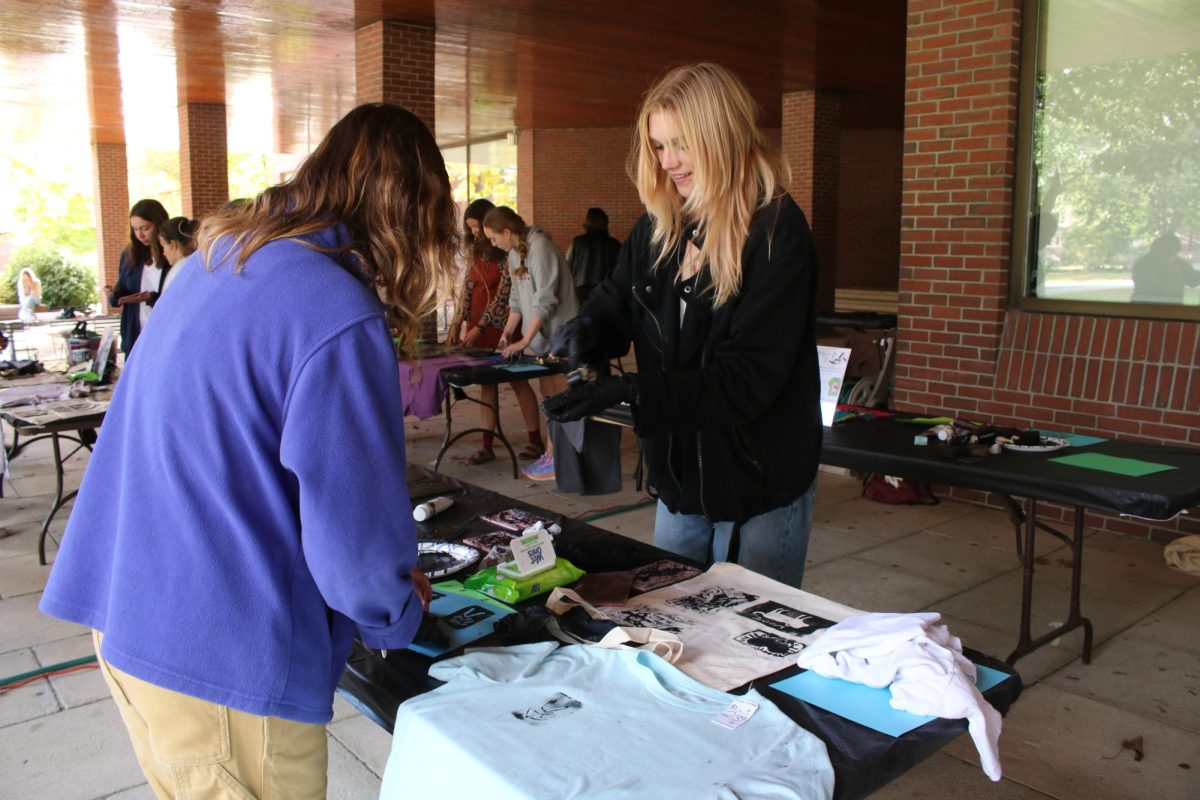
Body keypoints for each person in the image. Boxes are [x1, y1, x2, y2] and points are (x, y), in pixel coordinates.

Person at [39, 102, 457, 798]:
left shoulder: (217, 258)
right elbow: (352, 536)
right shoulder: (336, 307)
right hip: (222, 660)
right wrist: (394, 610)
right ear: (411, 217)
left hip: (129, 619)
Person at [544, 63, 822, 588]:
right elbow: (615, 301)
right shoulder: (659, 225)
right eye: (657, 146)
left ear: (721, 136)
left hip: (758, 484)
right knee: (671, 628)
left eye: (680, 144)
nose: (667, 162)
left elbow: (746, 379)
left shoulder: (776, 232)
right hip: (678, 481)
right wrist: (586, 331)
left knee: (742, 648)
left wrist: (630, 392)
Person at [482, 205, 579, 481]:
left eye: (493, 238)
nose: (493, 244)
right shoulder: (515, 253)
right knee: (550, 397)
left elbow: (545, 300)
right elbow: (516, 299)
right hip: (542, 340)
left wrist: (525, 338)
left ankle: (557, 456)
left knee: (560, 397)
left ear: (507, 231)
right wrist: (507, 333)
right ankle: (553, 454)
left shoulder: (542, 248)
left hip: (560, 336)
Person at [446, 199, 543, 465]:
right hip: (475, 326)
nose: (475, 234)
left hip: (500, 326)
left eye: (478, 228)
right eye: (472, 229)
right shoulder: (475, 253)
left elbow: (504, 295)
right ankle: (487, 444)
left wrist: (482, 326)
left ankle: (535, 440)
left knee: (517, 379)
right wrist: (458, 321)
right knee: (485, 384)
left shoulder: (505, 254)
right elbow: (467, 288)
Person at [108, 198, 170, 357]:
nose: (140, 234)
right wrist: (114, 294)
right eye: (135, 229)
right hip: (135, 335)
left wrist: (152, 298)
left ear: (159, 224)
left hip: (164, 333)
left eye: (145, 228)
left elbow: (179, 299)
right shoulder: (129, 254)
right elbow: (122, 289)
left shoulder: (172, 254)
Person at [566, 206, 622, 304]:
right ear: (605, 224)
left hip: (579, 290)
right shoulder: (615, 244)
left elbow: (567, 266)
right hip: (605, 290)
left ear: (588, 223)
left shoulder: (577, 242)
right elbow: (620, 271)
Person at [1130, 233, 1200, 304]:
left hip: (1171, 309)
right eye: (1172, 250)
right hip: (1144, 308)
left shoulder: (1179, 263)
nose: (1174, 253)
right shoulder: (1144, 264)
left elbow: (1193, 280)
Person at [156, 216, 198, 294]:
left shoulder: (177, 272)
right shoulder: (200, 263)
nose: (164, 253)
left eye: (163, 246)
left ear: (173, 244)